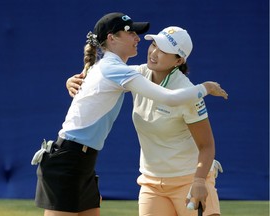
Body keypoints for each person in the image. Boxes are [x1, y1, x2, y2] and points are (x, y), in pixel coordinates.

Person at [32, 11, 227, 216]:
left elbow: (205, 142)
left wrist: (199, 180)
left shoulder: (126, 72)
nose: (141, 41)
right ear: (111, 38)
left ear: (179, 61)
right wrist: (206, 87)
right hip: (70, 159)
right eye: (153, 44)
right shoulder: (124, 71)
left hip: (85, 161)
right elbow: (169, 97)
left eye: (164, 50)